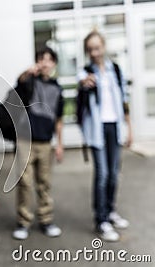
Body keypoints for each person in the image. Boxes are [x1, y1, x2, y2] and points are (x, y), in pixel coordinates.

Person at [77, 30, 132, 242]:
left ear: (104, 46)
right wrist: (86, 84)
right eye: (90, 49)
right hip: (96, 130)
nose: (94, 52)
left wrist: (129, 128)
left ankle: (110, 211)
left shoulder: (115, 70)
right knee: (102, 175)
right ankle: (100, 220)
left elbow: (124, 100)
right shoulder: (85, 72)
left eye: (97, 47)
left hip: (114, 127)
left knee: (114, 173)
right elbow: (82, 83)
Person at [12, 47, 64, 240]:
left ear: (54, 64)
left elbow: (59, 119)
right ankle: (23, 222)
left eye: (49, 59)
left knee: (44, 183)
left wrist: (60, 144)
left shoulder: (57, 88)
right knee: (24, 182)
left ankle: (46, 220)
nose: (45, 63)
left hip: (45, 142)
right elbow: (19, 82)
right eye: (42, 59)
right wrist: (28, 72)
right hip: (25, 139)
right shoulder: (30, 81)